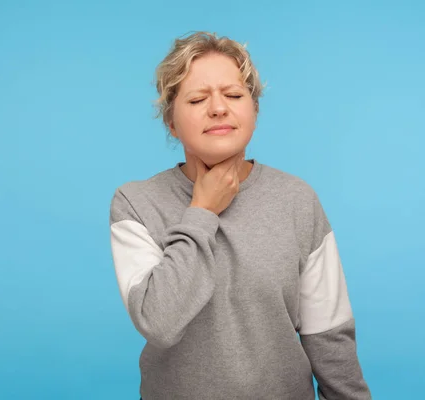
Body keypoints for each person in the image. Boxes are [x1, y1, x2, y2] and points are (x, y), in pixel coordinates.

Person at [109, 31, 372, 400]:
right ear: (171, 121)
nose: (219, 108)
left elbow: (330, 338)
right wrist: (201, 211)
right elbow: (159, 322)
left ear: (254, 109)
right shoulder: (136, 203)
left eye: (233, 95)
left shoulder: (297, 200)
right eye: (198, 99)